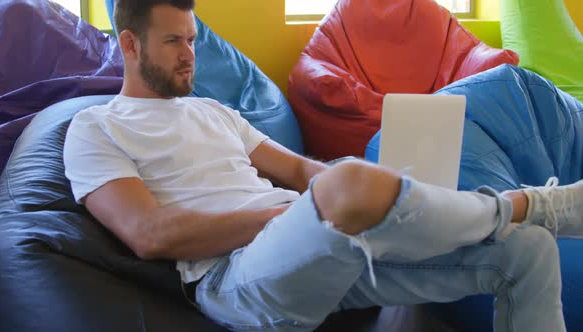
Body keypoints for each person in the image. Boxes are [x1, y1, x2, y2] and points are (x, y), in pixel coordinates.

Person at [63, 0, 582, 331]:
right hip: (236, 278)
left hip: (322, 245)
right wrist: (291, 214)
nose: (189, 55)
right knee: (348, 184)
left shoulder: (213, 111)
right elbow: (149, 234)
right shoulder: (96, 126)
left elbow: (301, 172)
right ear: (130, 45)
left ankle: (522, 218)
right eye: (173, 41)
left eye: (193, 40)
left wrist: (390, 181)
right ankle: (534, 205)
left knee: (528, 250)